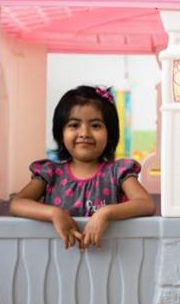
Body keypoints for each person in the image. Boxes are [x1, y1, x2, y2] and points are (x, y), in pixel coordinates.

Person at [10, 85, 155, 250]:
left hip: (109, 259)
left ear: (110, 134)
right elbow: (17, 203)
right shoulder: (50, 173)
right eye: (74, 125)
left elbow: (146, 204)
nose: (84, 132)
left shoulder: (118, 172)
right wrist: (54, 214)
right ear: (61, 133)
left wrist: (105, 213)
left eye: (95, 125)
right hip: (57, 258)